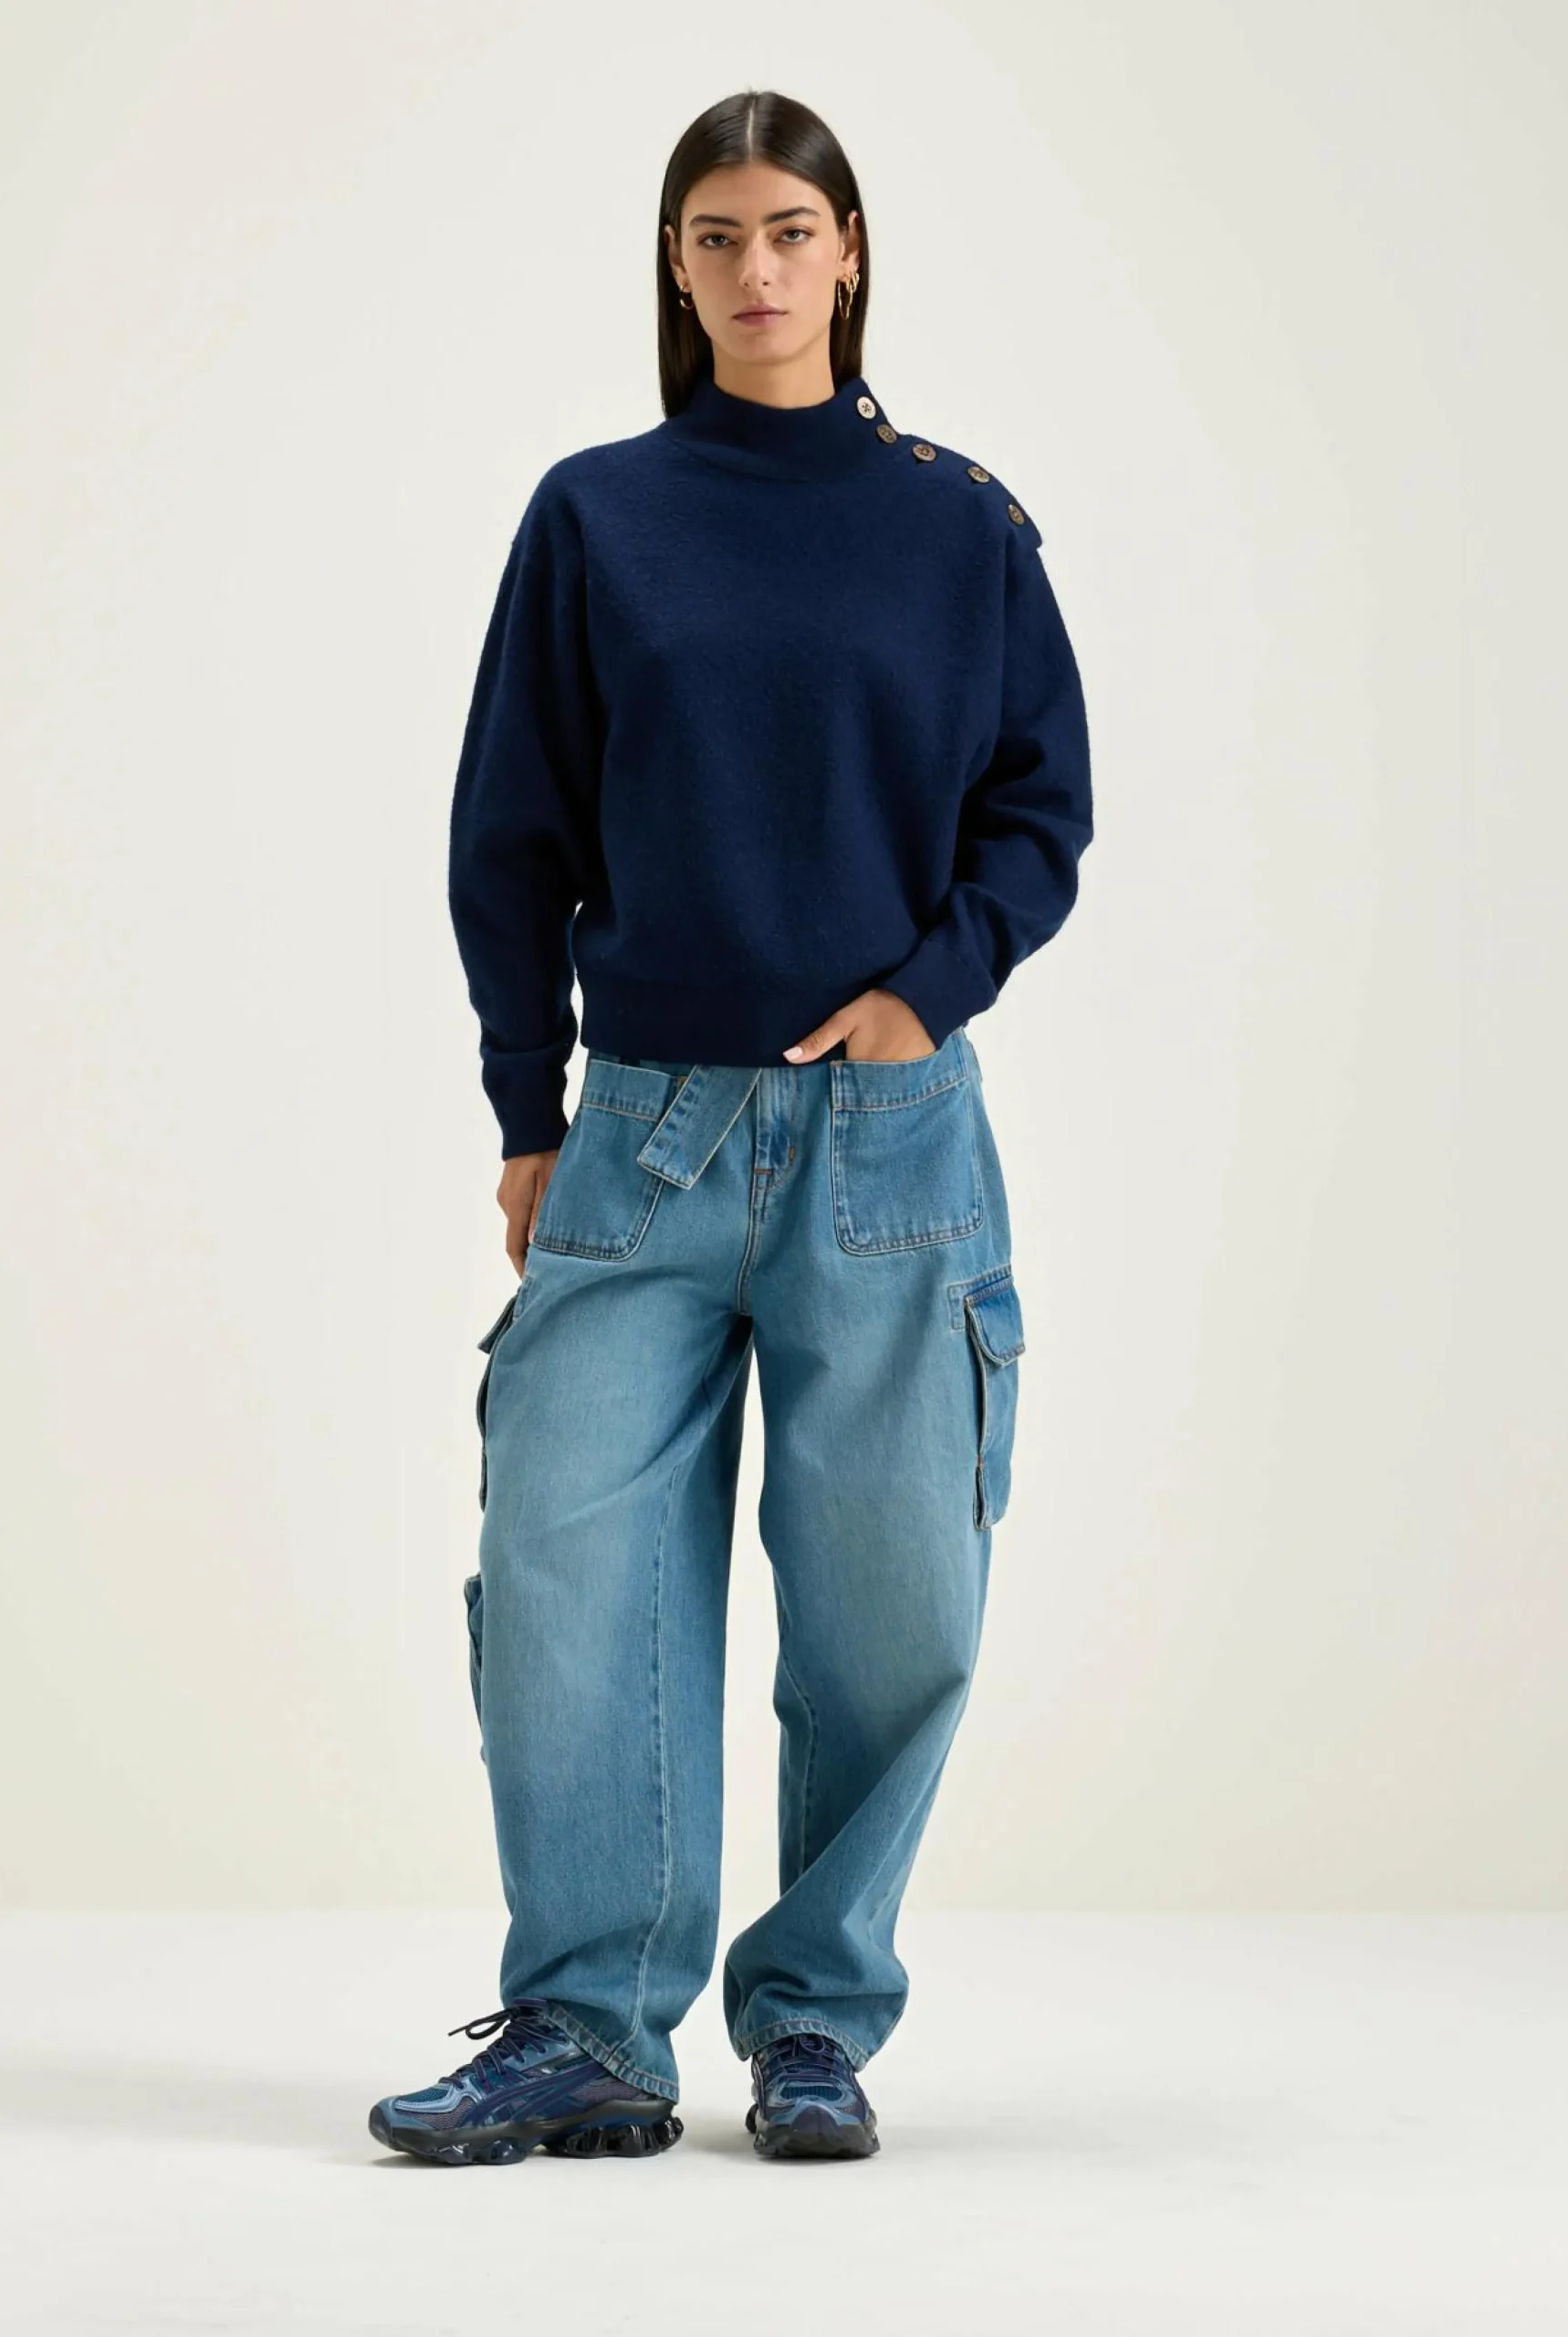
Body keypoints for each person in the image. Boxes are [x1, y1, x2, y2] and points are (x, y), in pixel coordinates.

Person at [369, 87, 1092, 2169]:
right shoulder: (599, 516)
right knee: (568, 1573)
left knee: (895, 1605)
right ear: (676, 270)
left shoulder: (962, 524)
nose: (755, 269)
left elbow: (1041, 806)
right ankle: (590, 2027)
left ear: (849, 251)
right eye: (715, 237)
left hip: (890, 1138)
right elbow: (509, 829)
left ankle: (816, 2025)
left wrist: (928, 989)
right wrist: (527, 1103)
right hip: (643, 1136)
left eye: (789, 229)